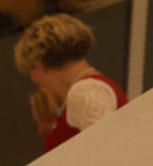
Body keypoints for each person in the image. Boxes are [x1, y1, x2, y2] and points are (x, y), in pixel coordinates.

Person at [16, 13, 128, 151]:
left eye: (31, 69)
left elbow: (109, 151)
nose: (32, 78)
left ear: (41, 63)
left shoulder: (85, 91)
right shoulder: (91, 88)